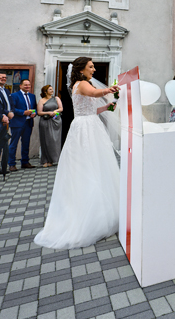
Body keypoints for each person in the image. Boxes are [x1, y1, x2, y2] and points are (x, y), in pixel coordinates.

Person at [34, 56, 121, 249]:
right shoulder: (81, 84)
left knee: (97, 165)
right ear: (81, 70)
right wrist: (109, 90)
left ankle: (102, 211)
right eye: (91, 66)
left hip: (90, 124)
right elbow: (95, 93)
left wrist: (107, 107)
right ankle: (90, 217)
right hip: (85, 129)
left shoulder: (82, 85)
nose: (94, 69)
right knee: (89, 166)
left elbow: (91, 109)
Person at [8, 79, 37, 171]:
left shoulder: (32, 96)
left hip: (28, 123)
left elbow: (35, 108)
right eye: (25, 85)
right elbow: (12, 109)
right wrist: (24, 112)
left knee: (26, 143)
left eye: (29, 85)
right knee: (14, 144)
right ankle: (11, 164)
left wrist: (34, 113)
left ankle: (25, 162)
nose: (27, 86)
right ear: (20, 86)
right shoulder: (14, 95)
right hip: (17, 123)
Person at [37, 84, 63, 167]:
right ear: (45, 91)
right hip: (45, 121)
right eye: (50, 89)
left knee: (54, 140)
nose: (52, 91)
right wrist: (48, 112)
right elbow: (39, 112)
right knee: (45, 140)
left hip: (55, 121)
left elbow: (61, 108)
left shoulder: (56, 98)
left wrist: (55, 111)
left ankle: (53, 159)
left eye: (52, 89)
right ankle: (45, 160)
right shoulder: (41, 101)